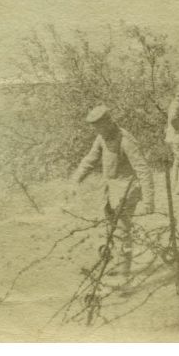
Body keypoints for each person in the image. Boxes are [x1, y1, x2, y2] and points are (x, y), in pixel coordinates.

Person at [71, 105, 155, 273]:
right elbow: (91, 159)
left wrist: (148, 201)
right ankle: (114, 263)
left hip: (127, 191)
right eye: (95, 127)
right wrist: (76, 178)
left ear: (109, 122)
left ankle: (124, 275)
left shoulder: (125, 140)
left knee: (122, 231)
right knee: (111, 229)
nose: (97, 130)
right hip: (110, 192)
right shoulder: (102, 138)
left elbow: (143, 170)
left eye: (99, 126)